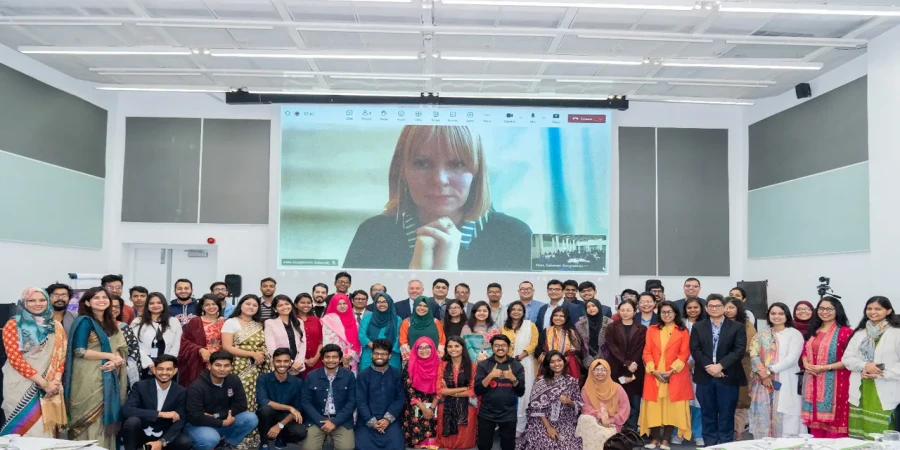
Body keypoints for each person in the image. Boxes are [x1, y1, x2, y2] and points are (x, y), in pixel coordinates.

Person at [343, 125, 533, 271]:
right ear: (402, 170)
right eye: (423, 163)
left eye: (457, 164)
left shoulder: (515, 236)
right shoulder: (373, 235)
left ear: (476, 171)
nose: (439, 180)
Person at [63, 286, 128, 449]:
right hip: (87, 376)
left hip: (107, 375)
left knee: (103, 419)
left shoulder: (109, 323)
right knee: (86, 417)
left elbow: (120, 348)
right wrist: (110, 356)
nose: (101, 300)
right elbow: (79, 351)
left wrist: (115, 360)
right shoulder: (84, 321)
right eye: (96, 298)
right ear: (87, 302)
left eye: (104, 297)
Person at [0, 287, 67, 437]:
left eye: (42, 300)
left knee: (46, 432)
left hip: (51, 386)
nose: (38, 303)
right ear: (24, 302)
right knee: (25, 433)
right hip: (21, 385)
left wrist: (55, 381)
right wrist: (44, 384)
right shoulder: (13, 325)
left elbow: (60, 356)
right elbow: (15, 359)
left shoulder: (56, 326)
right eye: (31, 300)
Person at [690, 294, 747, 446]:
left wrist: (720, 366)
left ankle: (726, 445)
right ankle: (710, 445)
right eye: (711, 306)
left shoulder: (737, 327)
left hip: (728, 376)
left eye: (718, 306)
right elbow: (695, 349)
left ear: (724, 308)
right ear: (706, 309)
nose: (715, 309)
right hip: (705, 376)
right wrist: (710, 367)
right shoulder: (698, 326)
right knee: (707, 414)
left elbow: (739, 350)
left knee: (727, 414)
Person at [842, 296, 900, 438]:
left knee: (882, 433)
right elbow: (847, 358)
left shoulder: (896, 332)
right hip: (860, 386)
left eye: (878, 309)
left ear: (888, 311)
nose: (873, 312)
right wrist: (865, 365)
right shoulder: (860, 333)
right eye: (869, 308)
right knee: (859, 432)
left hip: (886, 387)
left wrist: (882, 373)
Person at [639, 300, 693, 448]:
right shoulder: (652, 329)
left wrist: (671, 371)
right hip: (654, 374)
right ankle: (655, 438)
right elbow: (647, 351)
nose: (666, 315)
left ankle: (666, 439)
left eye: (669, 312)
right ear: (659, 314)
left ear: (675, 313)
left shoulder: (682, 331)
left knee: (671, 408)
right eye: (663, 312)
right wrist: (653, 370)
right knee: (654, 407)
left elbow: (684, 354)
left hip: (675, 374)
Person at [748, 303, 804, 438]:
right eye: (773, 313)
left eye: (780, 313)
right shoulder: (761, 334)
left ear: (786, 315)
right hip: (763, 382)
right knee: (764, 413)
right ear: (768, 316)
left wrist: (770, 370)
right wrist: (763, 374)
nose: (776, 316)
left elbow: (792, 358)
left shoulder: (794, 334)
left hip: (787, 378)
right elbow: (754, 354)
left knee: (788, 412)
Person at [221, 294, 269, 448]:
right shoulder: (231, 322)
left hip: (257, 369)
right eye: (248, 303)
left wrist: (262, 354)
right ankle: (233, 436)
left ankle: (250, 437)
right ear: (241, 305)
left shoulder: (259, 324)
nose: (251, 307)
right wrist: (252, 354)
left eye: (255, 305)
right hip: (237, 368)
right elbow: (227, 347)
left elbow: (263, 345)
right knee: (238, 400)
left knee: (254, 400)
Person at [185, 350, 258, 450]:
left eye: (226, 365)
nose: (222, 369)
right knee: (210, 439)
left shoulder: (234, 380)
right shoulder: (197, 387)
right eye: (218, 365)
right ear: (209, 366)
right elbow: (195, 417)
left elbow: (241, 405)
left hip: (222, 420)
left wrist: (218, 416)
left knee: (251, 418)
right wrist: (222, 423)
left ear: (231, 367)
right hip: (198, 425)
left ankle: (226, 444)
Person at [801, 296, 852, 438]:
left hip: (837, 383)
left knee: (835, 424)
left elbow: (849, 360)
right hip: (813, 382)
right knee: (816, 425)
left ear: (837, 311)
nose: (825, 312)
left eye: (829, 309)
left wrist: (824, 368)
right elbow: (805, 350)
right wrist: (805, 363)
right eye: (821, 308)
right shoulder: (814, 330)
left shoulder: (845, 332)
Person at [120, 354, 193, 450]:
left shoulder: (181, 391)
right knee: (131, 422)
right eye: (160, 369)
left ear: (175, 371)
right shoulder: (140, 386)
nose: (164, 372)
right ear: (154, 370)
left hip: (164, 433)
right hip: (141, 431)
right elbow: (127, 410)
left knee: (185, 442)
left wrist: (162, 441)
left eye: (169, 369)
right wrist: (160, 414)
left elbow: (181, 420)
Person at [518, 350, 583, 450]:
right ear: (548, 365)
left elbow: (579, 404)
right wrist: (548, 427)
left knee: (568, 446)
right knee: (545, 443)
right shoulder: (540, 382)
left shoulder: (572, 381)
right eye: (552, 362)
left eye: (559, 360)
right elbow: (535, 408)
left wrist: (569, 402)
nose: (556, 364)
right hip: (542, 420)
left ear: (564, 362)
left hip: (565, 421)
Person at [300, 344, 356, 450]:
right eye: (327, 357)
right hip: (317, 420)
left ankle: (330, 438)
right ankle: (327, 437)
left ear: (340, 359)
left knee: (346, 448)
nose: (331, 360)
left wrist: (335, 421)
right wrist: (321, 421)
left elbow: (352, 402)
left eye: (334, 357)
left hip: (341, 420)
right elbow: (305, 402)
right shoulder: (312, 376)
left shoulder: (349, 376)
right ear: (322, 359)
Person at [474, 334, 526, 450]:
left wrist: (513, 378)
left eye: (503, 345)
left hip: (508, 413)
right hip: (486, 412)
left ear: (508, 347)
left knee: (508, 446)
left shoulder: (517, 366)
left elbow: (521, 392)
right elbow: (477, 390)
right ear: (492, 347)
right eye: (496, 345)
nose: (500, 348)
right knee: (483, 445)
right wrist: (490, 376)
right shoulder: (483, 365)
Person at [604, 299, 647, 431]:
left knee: (634, 402)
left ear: (635, 312)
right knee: (618, 402)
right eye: (622, 310)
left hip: (636, 369)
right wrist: (627, 363)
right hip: (617, 368)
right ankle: (618, 431)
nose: (625, 313)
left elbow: (640, 348)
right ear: (618, 311)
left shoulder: (642, 328)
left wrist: (632, 366)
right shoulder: (611, 327)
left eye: (628, 310)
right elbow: (612, 348)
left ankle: (632, 430)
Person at [355, 339, 405, 450]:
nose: (379, 357)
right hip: (367, 420)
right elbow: (360, 401)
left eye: (383, 354)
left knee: (396, 446)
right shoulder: (363, 375)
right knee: (362, 447)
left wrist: (387, 419)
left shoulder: (396, 374)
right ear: (372, 355)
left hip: (390, 420)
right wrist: (372, 422)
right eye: (376, 353)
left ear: (390, 356)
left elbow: (400, 398)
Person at [499, 301, 539, 436]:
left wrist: (521, 356)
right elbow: (500, 344)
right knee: (507, 392)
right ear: (509, 312)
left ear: (523, 312)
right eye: (513, 309)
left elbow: (534, 342)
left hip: (525, 362)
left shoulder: (530, 325)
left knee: (524, 392)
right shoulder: (504, 327)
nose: (516, 312)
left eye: (519, 310)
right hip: (507, 364)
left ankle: (521, 426)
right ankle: (507, 423)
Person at [256, 348, 308, 450]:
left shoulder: (298, 382)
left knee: (300, 432)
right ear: (273, 362)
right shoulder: (263, 378)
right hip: (268, 416)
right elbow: (263, 401)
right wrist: (289, 408)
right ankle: (264, 442)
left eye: (285, 361)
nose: (282, 364)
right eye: (278, 361)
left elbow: (297, 408)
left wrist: (280, 425)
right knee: (265, 409)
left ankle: (281, 437)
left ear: (290, 363)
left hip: (286, 419)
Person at [576, 359, 630, 450]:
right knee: (584, 419)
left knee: (604, 434)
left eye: (603, 370)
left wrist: (611, 420)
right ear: (591, 371)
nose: (600, 372)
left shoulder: (617, 388)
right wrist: (600, 416)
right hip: (594, 421)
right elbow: (585, 407)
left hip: (612, 423)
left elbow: (625, 408)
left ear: (608, 371)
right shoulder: (586, 388)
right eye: (596, 370)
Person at [435, 336, 478, 449]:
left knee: (464, 444)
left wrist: (450, 392)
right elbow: (439, 390)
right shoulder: (442, 365)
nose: (453, 349)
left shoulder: (472, 366)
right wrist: (462, 389)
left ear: (462, 348)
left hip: (467, 405)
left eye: (456, 346)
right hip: (446, 404)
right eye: (449, 346)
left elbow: (472, 391)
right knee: (446, 444)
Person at [724, 296, 757, 440]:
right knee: (723, 401)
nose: (728, 310)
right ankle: (725, 431)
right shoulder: (717, 323)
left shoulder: (747, 325)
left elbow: (751, 347)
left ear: (738, 309)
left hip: (742, 367)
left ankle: (738, 432)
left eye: (731, 307)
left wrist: (731, 353)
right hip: (720, 368)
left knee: (740, 402)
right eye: (725, 307)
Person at [401, 337, 441, 449]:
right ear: (415, 349)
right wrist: (423, 409)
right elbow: (409, 390)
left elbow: (441, 388)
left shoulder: (439, 364)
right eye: (420, 348)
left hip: (434, 402)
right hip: (415, 403)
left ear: (433, 348)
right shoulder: (410, 365)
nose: (424, 350)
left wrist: (432, 408)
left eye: (427, 347)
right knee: (416, 417)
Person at [132, 292, 182, 380]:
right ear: (147, 305)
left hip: (167, 365)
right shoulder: (137, 322)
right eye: (151, 303)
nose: (155, 305)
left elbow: (177, 344)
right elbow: (133, 345)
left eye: (159, 303)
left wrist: (167, 362)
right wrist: (149, 363)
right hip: (144, 364)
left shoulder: (174, 322)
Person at [178, 294, 225, 388]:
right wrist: (200, 350)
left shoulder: (226, 322)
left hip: (221, 362)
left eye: (214, 304)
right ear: (202, 307)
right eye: (207, 305)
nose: (211, 307)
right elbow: (185, 342)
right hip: (199, 362)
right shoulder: (195, 322)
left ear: (219, 306)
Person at [682, 297, 707, 445]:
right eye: (689, 307)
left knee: (698, 402)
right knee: (681, 402)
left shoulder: (706, 324)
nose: (692, 310)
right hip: (679, 367)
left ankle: (698, 433)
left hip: (700, 367)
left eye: (695, 307)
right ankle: (679, 433)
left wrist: (695, 362)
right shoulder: (679, 325)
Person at [263, 295, 306, 376]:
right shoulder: (269, 323)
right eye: (280, 305)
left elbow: (303, 344)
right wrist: (290, 363)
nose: (284, 307)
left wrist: (298, 362)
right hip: (280, 366)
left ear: (291, 305)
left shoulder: (299, 322)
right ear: (275, 309)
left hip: (298, 367)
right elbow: (271, 348)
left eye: (287, 304)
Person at [358, 293, 401, 371]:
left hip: (391, 355)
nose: (381, 304)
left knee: (391, 379)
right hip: (370, 353)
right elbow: (362, 335)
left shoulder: (397, 319)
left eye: (384, 302)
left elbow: (399, 338)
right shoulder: (367, 317)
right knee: (368, 379)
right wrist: (375, 347)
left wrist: (386, 350)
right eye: (378, 302)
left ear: (390, 303)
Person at [321, 293, 362, 372]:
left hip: (351, 359)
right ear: (333, 305)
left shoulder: (353, 319)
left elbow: (357, 340)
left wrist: (351, 355)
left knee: (350, 381)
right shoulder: (329, 319)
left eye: (344, 303)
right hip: (333, 359)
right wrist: (341, 356)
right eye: (339, 304)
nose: (342, 306)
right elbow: (328, 340)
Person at [539, 306, 582, 379]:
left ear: (566, 318)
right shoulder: (546, 331)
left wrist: (567, 358)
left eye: (561, 316)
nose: (558, 318)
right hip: (549, 366)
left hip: (568, 367)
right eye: (555, 315)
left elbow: (578, 351)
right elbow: (539, 348)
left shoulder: (572, 332)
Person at [400, 296, 447, 361]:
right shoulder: (407, 322)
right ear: (415, 306)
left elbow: (441, 341)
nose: (422, 308)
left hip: (434, 361)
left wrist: (434, 358)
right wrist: (414, 359)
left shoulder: (436, 322)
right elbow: (403, 342)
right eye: (419, 305)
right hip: (412, 361)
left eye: (425, 306)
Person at [111, 295, 143, 388]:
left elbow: (134, 350)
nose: (113, 309)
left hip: (124, 370)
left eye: (117, 307)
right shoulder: (95, 326)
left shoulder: (124, 327)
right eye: (110, 306)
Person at [576, 298, 611, 368]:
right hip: (586, 359)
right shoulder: (580, 324)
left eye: (593, 306)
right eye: (588, 307)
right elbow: (579, 343)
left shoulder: (609, 323)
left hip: (605, 358)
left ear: (599, 307)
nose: (591, 308)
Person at [295, 293, 323, 377]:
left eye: (308, 302)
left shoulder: (316, 320)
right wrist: (304, 360)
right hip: (297, 362)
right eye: (302, 302)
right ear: (295, 305)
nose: (306, 305)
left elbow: (321, 341)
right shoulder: (292, 320)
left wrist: (315, 358)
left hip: (316, 361)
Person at [793, 301, 815, 370]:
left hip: (813, 368)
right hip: (791, 367)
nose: (803, 311)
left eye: (807, 309)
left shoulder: (818, 327)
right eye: (799, 309)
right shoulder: (788, 326)